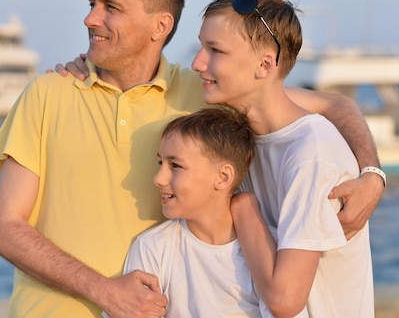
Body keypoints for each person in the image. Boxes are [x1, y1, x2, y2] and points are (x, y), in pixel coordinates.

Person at [0, 0, 383, 318]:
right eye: (92, 4)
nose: (90, 19)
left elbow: (334, 106)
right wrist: (106, 292)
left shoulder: (207, 92)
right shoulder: (48, 93)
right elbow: (4, 228)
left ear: (160, 25)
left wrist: (371, 174)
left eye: (111, 8)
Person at [191, 0, 374, 317]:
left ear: (264, 65)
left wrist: (243, 207)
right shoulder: (244, 125)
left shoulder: (310, 152)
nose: (197, 64)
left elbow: (284, 300)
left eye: (215, 50)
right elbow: (337, 103)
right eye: (202, 47)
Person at [120, 107, 295, 317]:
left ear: (222, 177)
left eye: (175, 165)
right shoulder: (153, 247)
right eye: (161, 163)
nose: (158, 178)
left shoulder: (274, 251)